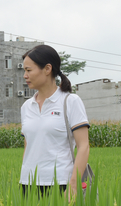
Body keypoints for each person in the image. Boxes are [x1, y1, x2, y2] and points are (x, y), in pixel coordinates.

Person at [19, 44, 90, 197]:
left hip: (60, 184)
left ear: (47, 69)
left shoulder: (70, 101)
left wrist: (73, 186)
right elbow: (28, 146)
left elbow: (83, 146)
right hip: (28, 184)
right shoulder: (26, 107)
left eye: (29, 70)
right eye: (24, 70)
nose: (25, 75)